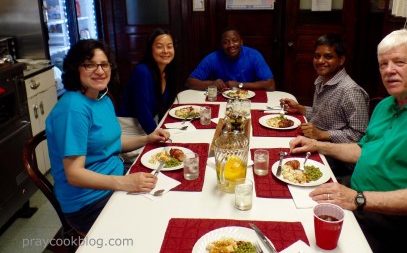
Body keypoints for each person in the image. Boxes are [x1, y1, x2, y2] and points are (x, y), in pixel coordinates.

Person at [289, 29, 407, 253]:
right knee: (294, 204)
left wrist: (358, 199)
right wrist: (318, 146)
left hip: (390, 223)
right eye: (383, 64)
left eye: (399, 62)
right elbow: (364, 150)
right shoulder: (387, 104)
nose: (389, 71)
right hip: (358, 196)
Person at [46, 39, 170, 234]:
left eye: (104, 64)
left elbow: (110, 144)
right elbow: (74, 174)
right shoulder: (73, 108)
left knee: (169, 198)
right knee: (152, 226)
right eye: (89, 65)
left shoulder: (102, 98)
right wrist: (125, 183)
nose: (100, 71)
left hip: (115, 179)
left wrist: (147, 139)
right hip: (88, 202)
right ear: (75, 69)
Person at [281, 34, 369, 177]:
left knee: (287, 165)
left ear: (341, 60)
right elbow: (322, 114)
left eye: (328, 57)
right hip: (316, 143)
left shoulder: (350, 91)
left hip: (339, 160)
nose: (320, 61)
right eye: (317, 56)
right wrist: (301, 109)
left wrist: (322, 134)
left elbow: (359, 136)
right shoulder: (321, 81)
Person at [118, 28, 176, 134]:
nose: (165, 51)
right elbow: (143, 112)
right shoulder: (142, 71)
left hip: (146, 126)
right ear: (150, 49)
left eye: (169, 46)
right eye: (159, 46)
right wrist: (157, 134)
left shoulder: (165, 73)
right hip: (130, 130)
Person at [185, 28, 275, 92]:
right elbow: (189, 82)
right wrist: (212, 83)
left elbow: (271, 85)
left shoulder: (254, 55)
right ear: (221, 45)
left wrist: (239, 85)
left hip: (247, 99)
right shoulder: (212, 58)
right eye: (226, 42)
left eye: (235, 40)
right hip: (220, 100)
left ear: (241, 42)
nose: (231, 45)